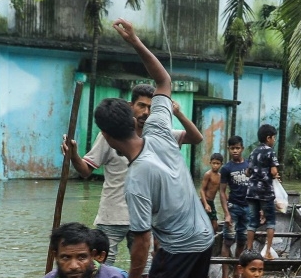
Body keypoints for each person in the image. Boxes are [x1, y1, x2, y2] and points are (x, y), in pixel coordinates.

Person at [92, 19, 219, 278]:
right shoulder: (160, 129)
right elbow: (163, 79)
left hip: (179, 246)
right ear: (134, 120)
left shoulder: (136, 179)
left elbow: (143, 242)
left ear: (108, 137)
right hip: (205, 234)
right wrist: (135, 41)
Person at [63, 84, 203, 265]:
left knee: (145, 268)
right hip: (112, 215)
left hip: (144, 217)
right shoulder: (110, 135)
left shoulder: (161, 136)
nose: (146, 112)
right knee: (101, 266)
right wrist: (74, 155)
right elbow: (85, 171)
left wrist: (177, 113)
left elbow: (196, 138)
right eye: (141, 105)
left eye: (151, 108)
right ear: (131, 106)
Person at [244, 124, 281, 256]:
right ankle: (268, 251)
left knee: (252, 222)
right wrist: (275, 175)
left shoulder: (253, 152)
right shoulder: (270, 151)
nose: (274, 140)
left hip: (251, 192)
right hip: (265, 192)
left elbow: (247, 172)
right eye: (274, 138)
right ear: (268, 138)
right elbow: (274, 171)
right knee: (270, 221)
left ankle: (248, 250)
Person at [219, 135, 252, 259]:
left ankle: (238, 268)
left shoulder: (249, 165)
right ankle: (225, 271)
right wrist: (226, 213)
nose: (235, 151)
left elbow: (256, 187)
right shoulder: (226, 168)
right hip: (233, 207)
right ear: (228, 149)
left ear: (242, 148)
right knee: (228, 240)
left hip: (248, 208)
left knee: (242, 240)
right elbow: (222, 192)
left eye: (237, 148)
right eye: (232, 148)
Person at [200, 152, 223, 234]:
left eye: (218, 163)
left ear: (221, 164)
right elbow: (202, 190)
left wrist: (227, 201)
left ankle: (212, 239)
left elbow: (221, 191)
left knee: (215, 226)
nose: (215, 165)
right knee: (205, 223)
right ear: (210, 163)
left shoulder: (220, 176)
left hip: (211, 202)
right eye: (214, 163)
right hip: (204, 201)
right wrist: (205, 204)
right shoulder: (208, 174)